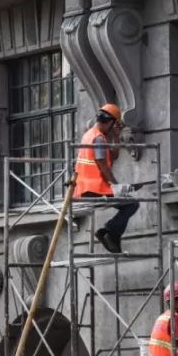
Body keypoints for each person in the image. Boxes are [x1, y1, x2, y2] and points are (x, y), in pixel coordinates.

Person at [74, 103, 139, 254]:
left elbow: (114, 156)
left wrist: (115, 136)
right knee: (132, 204)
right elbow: (102, 165)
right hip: (93, 189)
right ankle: (109, 232)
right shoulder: (98, 139)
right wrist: (116, 186)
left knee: (129, 204)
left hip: (85, 188)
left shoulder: (91, 134)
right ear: (112, 122)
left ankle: (110, 235)